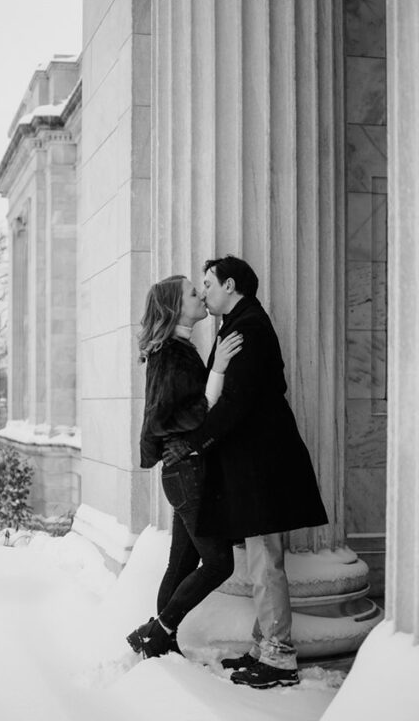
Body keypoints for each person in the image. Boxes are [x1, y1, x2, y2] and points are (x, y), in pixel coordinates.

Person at [163, 255, 328, 689]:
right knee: (262, 557)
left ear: (230, 285)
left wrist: (195, 441)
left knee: (266, 559)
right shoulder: (239, 324)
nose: (204, 291)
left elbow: (237, 403)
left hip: (262, 464)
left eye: (208, 283)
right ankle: (264, 646)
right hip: (255, 463)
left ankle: (278, 656)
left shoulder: (248, 327)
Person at [125, 275, 243, 659]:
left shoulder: (176, 349)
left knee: (182, 563)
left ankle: (160, 647)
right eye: (194, 293)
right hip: (186, 473)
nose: (202, 295)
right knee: (219, 562)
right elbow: (187, 414)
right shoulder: (173, 353)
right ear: (176, 307)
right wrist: (220, 369)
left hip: (185, 472)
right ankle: (156, 631)